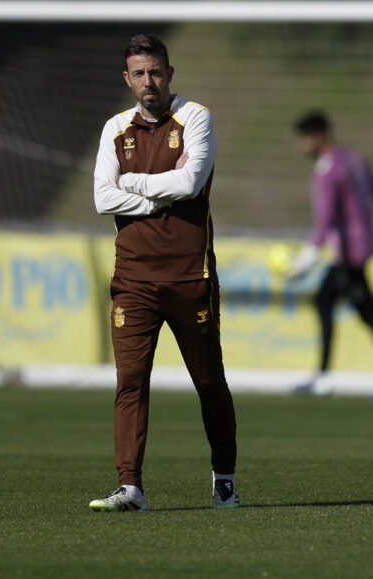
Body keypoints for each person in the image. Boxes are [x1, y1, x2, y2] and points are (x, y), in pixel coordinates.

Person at [90, 34, 238, 512]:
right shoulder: (115, 128)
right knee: (130, 379)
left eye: (156, 71)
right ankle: (130, 487)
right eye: (139, 73)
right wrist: (160, 191)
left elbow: (192, 182)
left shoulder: (195, 118)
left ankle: (225, 477)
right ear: (127, 79)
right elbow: (101, 198)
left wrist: (131, 182)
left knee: (208, 381)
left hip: (189, 277)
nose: (148, 81)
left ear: (169, 74)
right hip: (132, 280)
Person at [288, 111, 373, 397]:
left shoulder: (327, 169)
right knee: (346, 306)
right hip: (363, 248)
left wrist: (311, 252)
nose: (301, 145)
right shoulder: (354, 159)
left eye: (305, 138)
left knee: (353, 308)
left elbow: (326, 217)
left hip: (348, 254)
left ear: (321, 135)